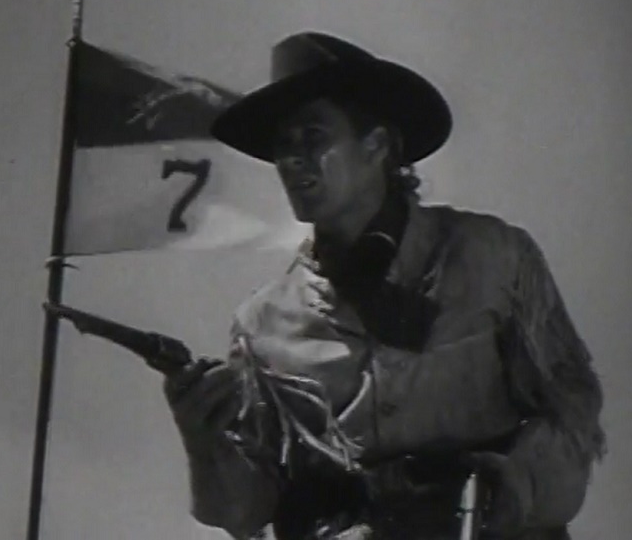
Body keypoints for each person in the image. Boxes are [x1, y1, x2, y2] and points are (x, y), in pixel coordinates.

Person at [163, 32, 605, 540]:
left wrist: (505, 490)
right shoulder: (262, 326)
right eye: (283, 144)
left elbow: (572, 411)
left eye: (313, 136)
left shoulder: (493, 259)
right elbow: (244, 513)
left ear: (377, 145)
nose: (291, 159)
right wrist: (203, 437)